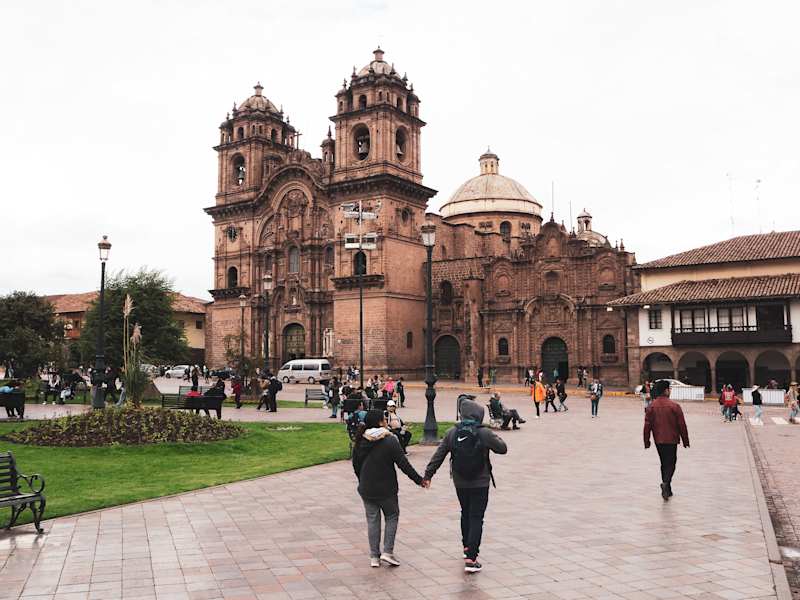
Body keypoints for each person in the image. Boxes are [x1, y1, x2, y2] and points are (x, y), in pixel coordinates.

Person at [423, 400, 508, 573]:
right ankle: (472, 558)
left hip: (460, 481)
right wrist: (490, 436)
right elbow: (502, 449)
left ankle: (466, 547)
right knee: (476, 517)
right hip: (480, 481)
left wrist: (428, 475)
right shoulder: (484, 433)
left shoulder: (452, 432)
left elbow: (438, 456)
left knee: (465, 513)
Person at [352, 409, 425, 567]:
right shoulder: (390, 440)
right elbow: (403, 464)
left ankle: (374, 557)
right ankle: (388, 552)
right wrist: (419, 480)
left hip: (367, 488)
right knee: (392, 516)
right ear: (380, 422)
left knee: (372, 520)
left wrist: (362, 480)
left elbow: (356, 465)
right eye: (385, 419)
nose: (386, 421)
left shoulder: (360, 440)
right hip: (386, 488)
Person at [644, 379, 690, 500]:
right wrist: (685, 440)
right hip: (672, 440)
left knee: (664, 463)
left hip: (658, 440)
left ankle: (667, 488)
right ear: (665, 390)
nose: (670, 391)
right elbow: (682, 425)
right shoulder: (674, 406)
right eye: (669, 389)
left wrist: (646, 441)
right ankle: (666, 483)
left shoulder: (651, 407)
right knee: (671, 463)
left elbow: (647, 425)